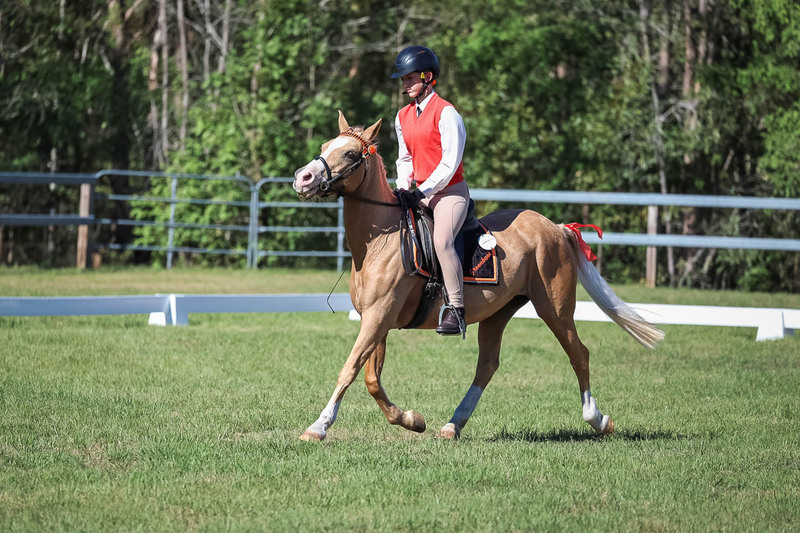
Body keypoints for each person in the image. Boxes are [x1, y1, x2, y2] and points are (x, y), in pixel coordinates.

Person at [391, 45, 470, 336]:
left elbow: (450, 162)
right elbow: (405, 159)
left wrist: (422, 190)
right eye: (403, 79)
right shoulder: (402, 117)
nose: (405, 84)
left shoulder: (447, 113)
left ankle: (456, 309)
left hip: (450, 193)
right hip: (419, 191)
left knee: (442, 241)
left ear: (427, 76)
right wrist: (402, 187)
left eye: (410, 78)